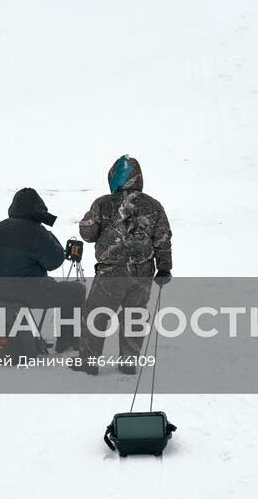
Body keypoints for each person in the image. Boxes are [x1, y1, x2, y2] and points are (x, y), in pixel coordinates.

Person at [76, 156, 173, 375]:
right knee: (135, 316)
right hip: (143, 272)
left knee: (96, 314)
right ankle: (128, 361)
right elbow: (163, 238)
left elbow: (88, 235)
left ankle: (89, 361)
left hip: (112, 271)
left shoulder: (103, 203)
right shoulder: (153, 205)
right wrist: (164, 267)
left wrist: (86, 222)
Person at [0, 187, 87, 350]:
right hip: (31, 292)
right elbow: (54, 262)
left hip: (0, 289)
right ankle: (66, 340)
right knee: (76, 290)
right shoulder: (37, 232)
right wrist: (49, 236)